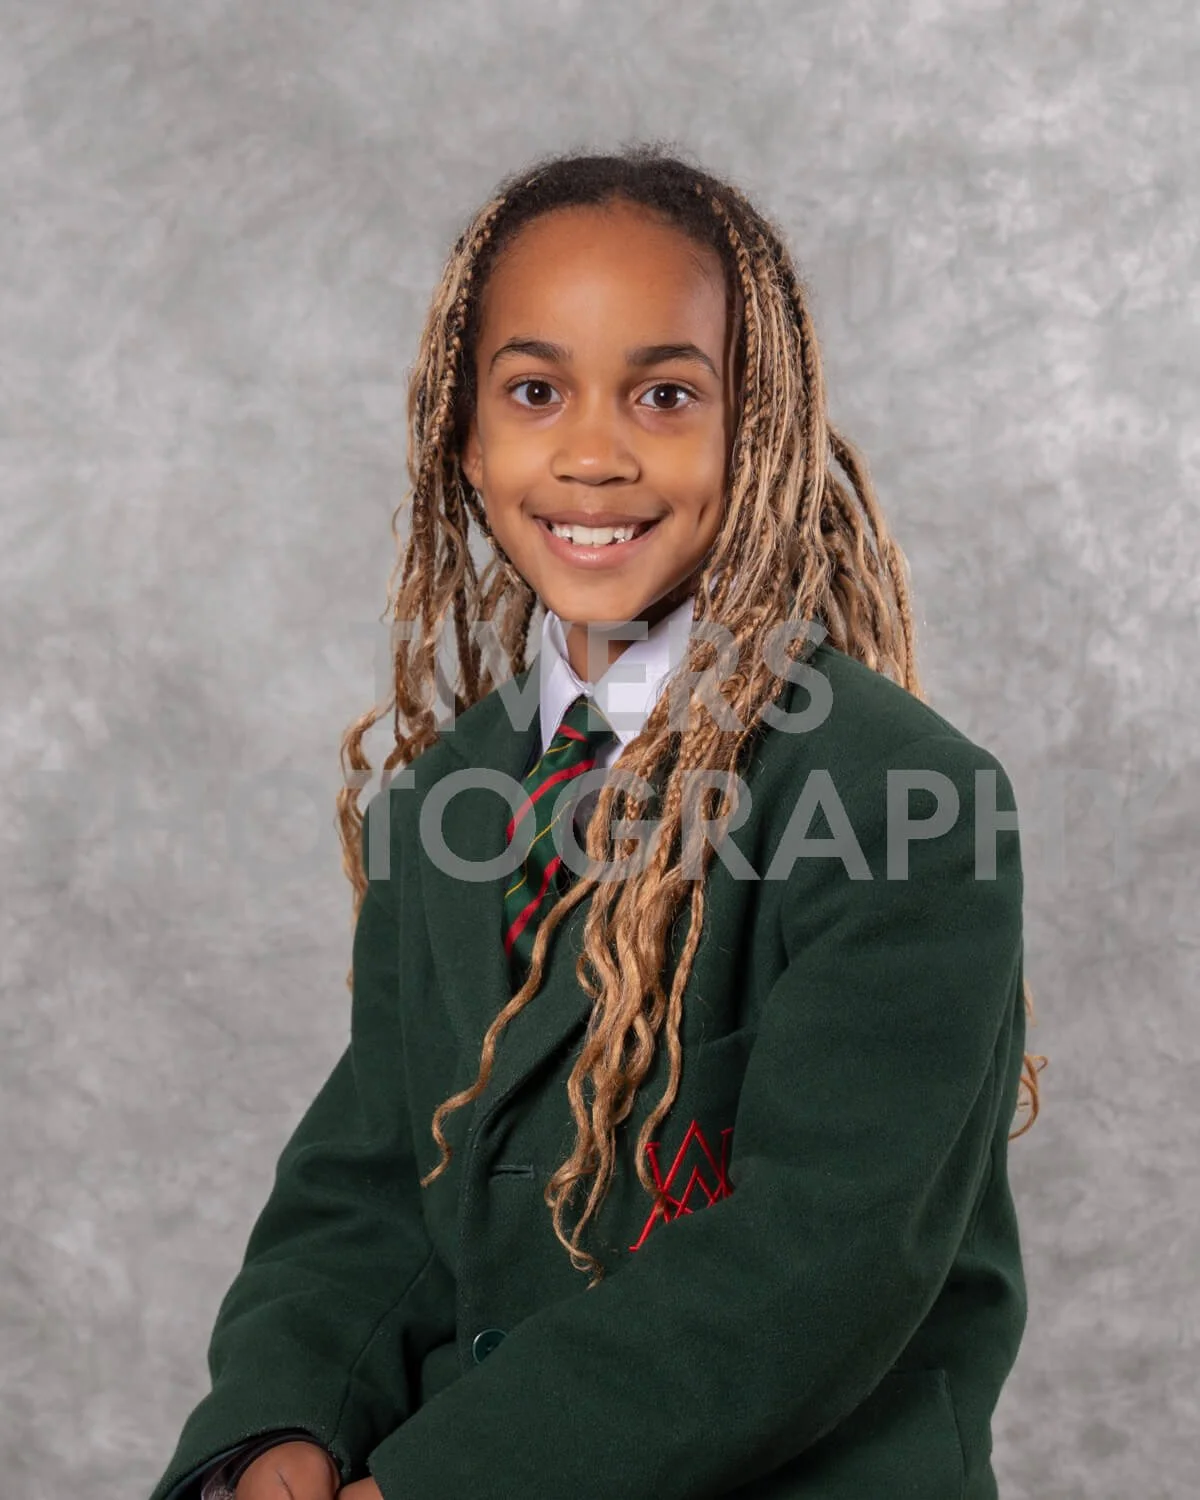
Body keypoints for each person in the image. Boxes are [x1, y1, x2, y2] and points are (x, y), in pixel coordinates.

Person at [147, 144, 1046, 1500]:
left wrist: (432, 1487)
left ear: (758, 435)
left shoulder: (906, 802)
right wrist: (282, 1427)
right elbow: (375, 1190)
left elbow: (819, 1259)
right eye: (535, 391)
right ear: (466, 437)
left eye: (665, 395)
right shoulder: (446, 800)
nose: (591, 453)